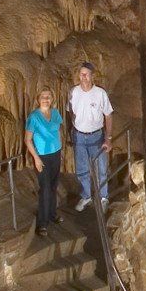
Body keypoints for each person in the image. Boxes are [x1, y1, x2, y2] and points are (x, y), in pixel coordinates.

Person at [68, 62, 113, 213]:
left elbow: (108, 115)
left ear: (92, 75)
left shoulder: (100, 93)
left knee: (100, 169)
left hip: (97, 136)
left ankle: (103, 197)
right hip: (79, 137)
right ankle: (86, 196)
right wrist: (73, 130)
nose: (84, 77)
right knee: (82, 169)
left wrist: (108, 138)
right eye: (82, 74)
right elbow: (70, 112)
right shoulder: (73, 92)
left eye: (87, 74)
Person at [24, 88, 64, 235]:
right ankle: (42, 223)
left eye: (48, 96)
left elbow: (59, 130)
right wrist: (36, 158)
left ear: (52, 99)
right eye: (43, 97)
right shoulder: (34, 117)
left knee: (53, 187)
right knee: (45, 189)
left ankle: (53, 214)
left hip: (56, 154)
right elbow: (27, 140)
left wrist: (61, 150)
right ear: (38, 99)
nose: (46, 99)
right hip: (42, 157)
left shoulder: (55, 113)